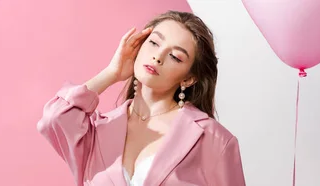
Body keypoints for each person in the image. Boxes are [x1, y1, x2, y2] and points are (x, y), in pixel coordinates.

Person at [37, 11, 246, 186]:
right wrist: (112, 73)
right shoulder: (98, 132)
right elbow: (53, 118)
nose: (158, 57)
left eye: (175, 56)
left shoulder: (213, 139)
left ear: (189, 78)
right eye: (154, 43)